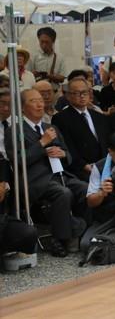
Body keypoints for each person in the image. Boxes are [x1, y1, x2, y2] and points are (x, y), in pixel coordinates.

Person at [6, 89, 88, 257]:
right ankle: (60, 239)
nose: (39, 104)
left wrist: (63, 154)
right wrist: (42, 143)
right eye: (33, 101)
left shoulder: (50, 127)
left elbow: (68, 154)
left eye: (41, 100)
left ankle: (82, 231)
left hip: (60, 175)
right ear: (22, 107)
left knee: (86, 188)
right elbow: (18, 160)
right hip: (34, 180)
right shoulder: (14, 130)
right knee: (62, 193)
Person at [51, 77, 110, 181]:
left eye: (85, 92)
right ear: (68, 96)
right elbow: (67, 147)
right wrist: (84, 166)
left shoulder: (99, 116)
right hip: (79, 169)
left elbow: (107, 143)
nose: (82, 96)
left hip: (104, 165)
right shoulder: (61, 118)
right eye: (77, 93)